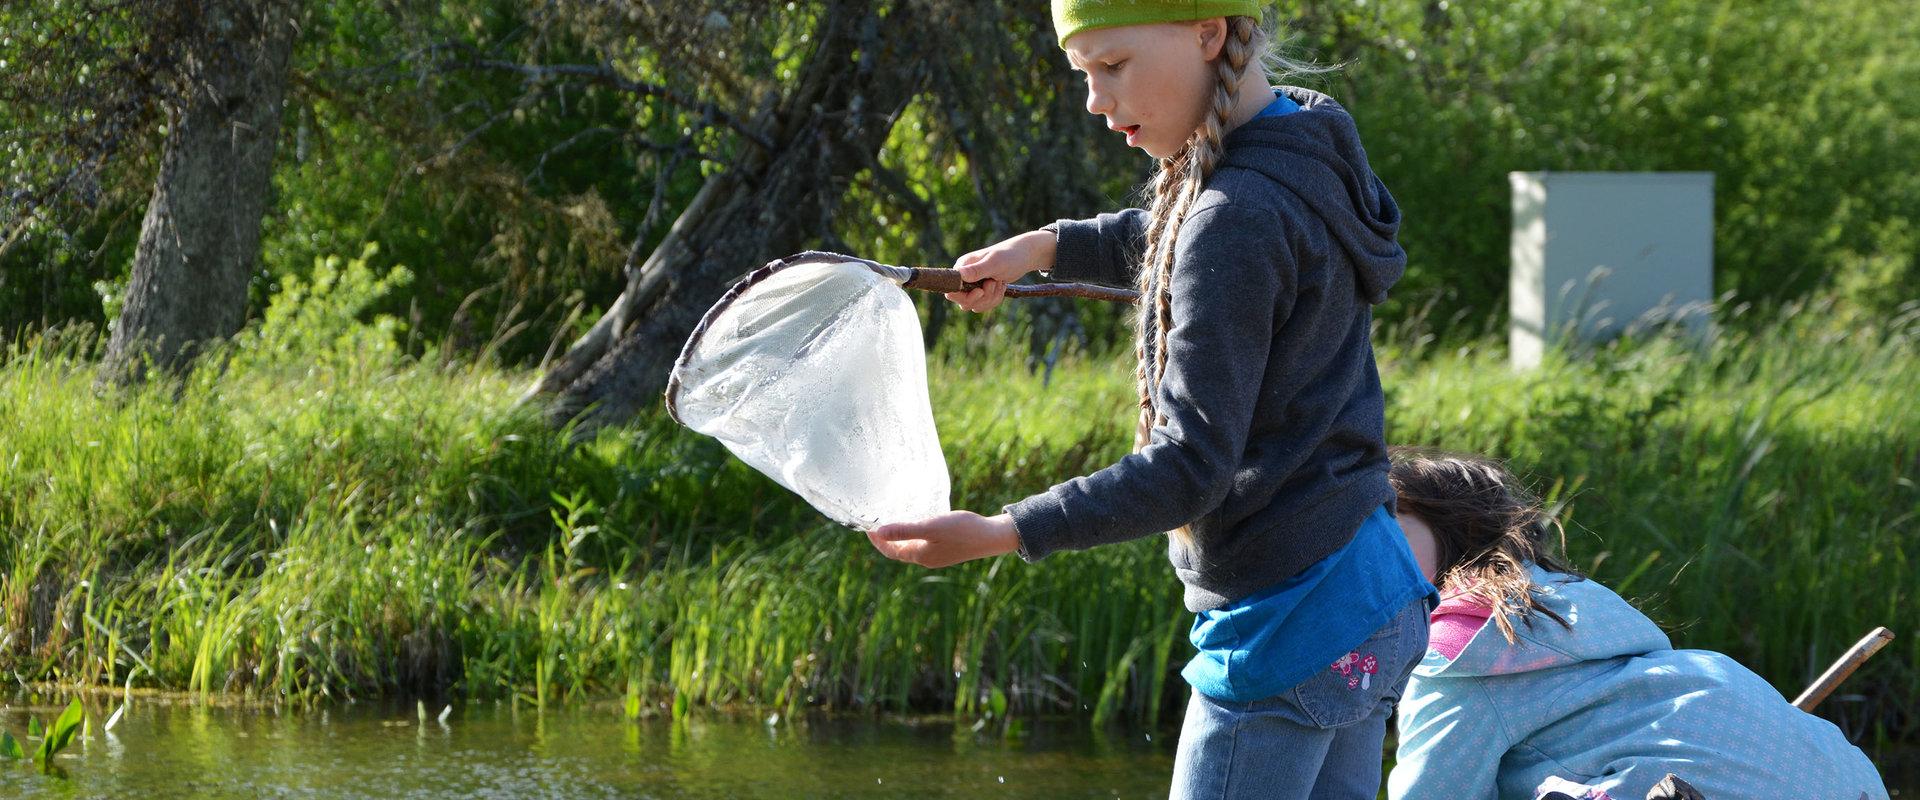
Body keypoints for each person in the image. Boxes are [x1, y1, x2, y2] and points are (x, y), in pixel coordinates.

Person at [863, 2, 1435, 797]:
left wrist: (1003, 531)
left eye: (1113, 66)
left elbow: (1188, 468)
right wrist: (1047, 245)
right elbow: (1181, 234)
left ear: (1208, 33)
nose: (1095, 100)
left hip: (1287, 626)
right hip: (1372, 594)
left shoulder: (1236, 216)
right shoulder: (1307, 147)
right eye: (1083, 73)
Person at [1386, 450, 1891, 800]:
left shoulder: (1461, 655)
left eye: (1388, 530)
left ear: (1456, 528)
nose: (1368, 559)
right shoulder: (1592, 614)